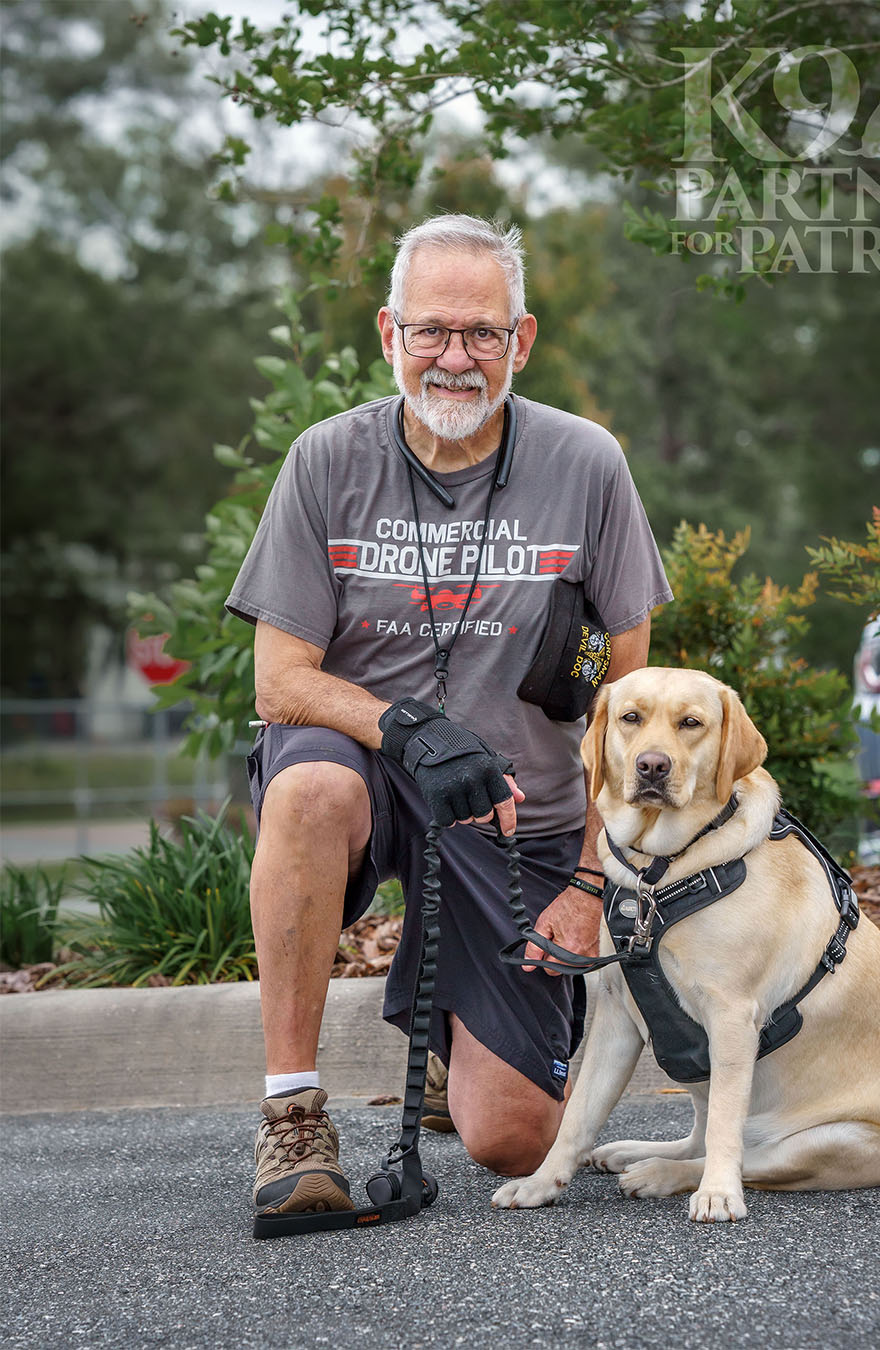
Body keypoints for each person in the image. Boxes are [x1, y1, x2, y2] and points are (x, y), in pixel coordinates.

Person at [227, 214, 672, 1216]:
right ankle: (292, 1114)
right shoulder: (324, 460)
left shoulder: (588, 464)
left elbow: (631, 704)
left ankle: (456, 1036)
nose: (455, 358)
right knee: (304, 788)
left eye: (481, 332)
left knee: (516, 1143)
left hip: (515, 813)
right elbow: (278, 682)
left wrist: (596, 883)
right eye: (432, 331)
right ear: (389, 334)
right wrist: (405, 727)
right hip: (368, 766)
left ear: (523, 340)